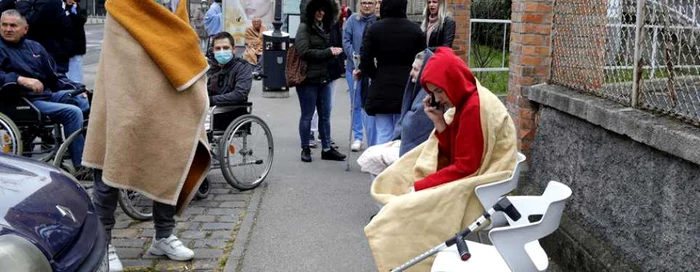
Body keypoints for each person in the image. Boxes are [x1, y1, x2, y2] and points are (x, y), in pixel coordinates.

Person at [82, 0, 211, 270]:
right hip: (125, 97)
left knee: (171, 161)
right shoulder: (121, 6)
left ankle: (163, 236)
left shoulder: (179, 5)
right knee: (111, 164)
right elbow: (121, 61)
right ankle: (103, 244)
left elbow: (185, 51)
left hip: (167, 99)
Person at [365, 47, 517, 271]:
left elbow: (465, 166)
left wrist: (420, 187)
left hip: (482, 186)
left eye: (438, 91)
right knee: (402, 197)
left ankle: (408, 264)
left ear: (452, 81)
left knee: (400, 210)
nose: (437, 99)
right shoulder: (468, 99)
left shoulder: (473, 108)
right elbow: (461, 155)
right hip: (483, 179)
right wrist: (439, 122)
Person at [0, 10, 88, 173]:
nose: (8, 29)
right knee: (72, 113)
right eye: (4, 25)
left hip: (44, 95)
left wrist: (77, 88)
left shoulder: (35, 47)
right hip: (19, 100)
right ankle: (81, 165)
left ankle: (81, 145)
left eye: (13, 25)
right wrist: (20, 79)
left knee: (84, 99)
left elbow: (55, 77)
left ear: (25, 29)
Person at [359, 0, 425, 147]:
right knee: (401, 135)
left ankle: (379, 169)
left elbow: (365, 59)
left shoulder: (375, 29)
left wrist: (375, 75)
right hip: (406, 87)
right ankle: (398, 167)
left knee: (383, 133)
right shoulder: (415, 30)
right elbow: (423, 59)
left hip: (381, 85)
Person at [294, 0, 346, 162]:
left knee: (324, 116)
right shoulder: (304, 27)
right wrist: (328, 52)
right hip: (307, 79)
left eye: (323, 10)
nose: (321, 13)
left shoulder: (324, 27)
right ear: (311, 11)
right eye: (317, 10)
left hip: (323, 77)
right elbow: (303, 52)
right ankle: (305, 148)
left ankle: (327, 149)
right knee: (307, 116)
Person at [342, 0, 375, 152]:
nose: (367, 6)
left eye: (370, 3)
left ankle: (372, 138)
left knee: (369, 103)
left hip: (371, 69)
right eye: (364, 2)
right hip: (353, 67)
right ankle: (358, 137)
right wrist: (352, 54)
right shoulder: (352, 20)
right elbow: (346, 40)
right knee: (355, 102)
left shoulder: (377, 21)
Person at [392, 49, 434, 156]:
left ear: (425, 70)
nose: (411, 73)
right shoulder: (421, 92)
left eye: (415, 69)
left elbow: (413, 126)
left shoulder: (428, 94)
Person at [15, 0, 72, 73]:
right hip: (53, 53)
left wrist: (22, 3)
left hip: (49, 55)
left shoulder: (47, 2)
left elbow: (34, 20)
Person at [208, 31, 253, 105]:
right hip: (207, 111)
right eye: (218, 48)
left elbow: (240, 95)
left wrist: (210, 100)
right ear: (213, 50)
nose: (221, 51)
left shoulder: (242, 66)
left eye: (225, 48)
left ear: (233, 49)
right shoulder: (209, 68)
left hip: (233, 111)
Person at [63, 0, 87, 83]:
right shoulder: (62, 9)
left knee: (76, 70)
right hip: (65, 45)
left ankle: (78, 90)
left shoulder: (80, 9)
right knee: (66, 72)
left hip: (77, 45)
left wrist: (74, 11)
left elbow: (81, 20)